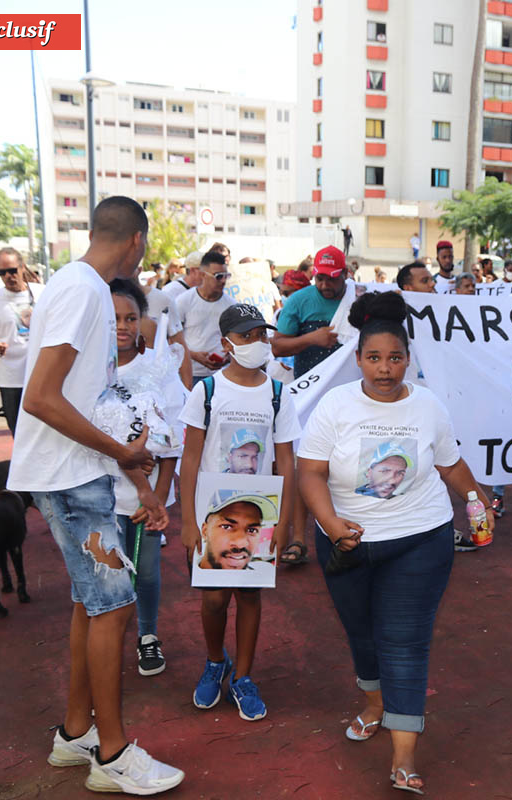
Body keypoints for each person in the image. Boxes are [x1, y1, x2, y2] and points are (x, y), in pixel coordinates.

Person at [7, 196, 182, 793]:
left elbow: (85, 397)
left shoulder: (72, 284)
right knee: (114, 606)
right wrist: (124, 455)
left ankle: (76, 732)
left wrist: (132, 471)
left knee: (93, 603)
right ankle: (112, 755)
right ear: (137, 241)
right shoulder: (84, 291)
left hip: (78, 471)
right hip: (68, 474)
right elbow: (42, 398)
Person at [298, 291, 492, 795]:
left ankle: (404, 756)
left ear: (409, 359)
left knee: (404, 642)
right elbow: (310, 472)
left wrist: (476, 502)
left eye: (395, 358)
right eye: (374, 358)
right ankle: (373, 703)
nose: (385, 369)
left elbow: (449, 464)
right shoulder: (335, 405)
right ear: (358, 359)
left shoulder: (428, 405)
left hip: (420, 540)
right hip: (346, 545)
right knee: (362, 633)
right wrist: (331, 523)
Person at [179, 303, 299, 722]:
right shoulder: (207, 392)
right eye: (247, 336)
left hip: (258, 513)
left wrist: (284, 524)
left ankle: (243, 677)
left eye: (261, 335)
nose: (257, 343)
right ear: (227, 343)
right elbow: (190, 459)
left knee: (249, 595)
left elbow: (286, 462)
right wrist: (187, 522)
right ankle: (216, 661)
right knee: (213, 599)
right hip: (211, 513)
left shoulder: (278, 393)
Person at [108, 278, 185, 677]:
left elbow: (172, 441)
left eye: (130, 318)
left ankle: (148, 636)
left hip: (148, 500)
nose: (122, 326)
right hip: (101, 495)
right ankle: (106, 640)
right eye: (113, 318)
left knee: (148, 571)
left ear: (142, 321)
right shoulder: (84, 372)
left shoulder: (157, 370)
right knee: (109, 574)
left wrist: (155, 496)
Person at [0, 247, 35, 435]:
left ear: (22, 267)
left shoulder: (45, 293)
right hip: (11, 379)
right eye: (2, 272)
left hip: (42, 375)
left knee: (47, 433)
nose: (8, 276)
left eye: (12, 270)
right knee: (18, 433)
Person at [272, 246, 345, 375]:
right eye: (320, 279)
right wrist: (311, 338)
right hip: (308, 388)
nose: (324, 285)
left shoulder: (358, 298)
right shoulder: (298, 301)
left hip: (349, 386)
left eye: (331, 279)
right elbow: (277, 347)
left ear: (344, 273)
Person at [176, 249, 236, 379]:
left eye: (226, 276)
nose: (223, 281)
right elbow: (171, 339)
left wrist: (229, 355)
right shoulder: (184, 301)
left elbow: (236, 339)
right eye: (218, 276)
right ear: (203, 275)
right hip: (189, 373)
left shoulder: (231, 306)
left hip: (220, 375)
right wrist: (193, 355)